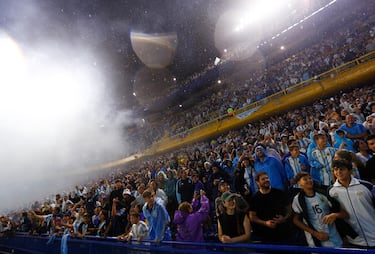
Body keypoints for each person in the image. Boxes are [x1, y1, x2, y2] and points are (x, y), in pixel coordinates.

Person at [292, 172, 347, 247]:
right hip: (316, 239)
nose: (309, 180)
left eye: (310, 178)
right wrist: (315, 233)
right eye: (305, 179)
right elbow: (296, 220)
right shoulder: (297, 200)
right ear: (299, 183)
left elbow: (343, 213)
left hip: (334, 236)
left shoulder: (323, 194)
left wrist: (335, 215)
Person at [329, 159, 375, 247]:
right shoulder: (331, 191)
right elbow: (337, 214)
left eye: (342, 169)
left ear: (350, 171)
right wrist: (344, 235)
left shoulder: (366, 186)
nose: (338, 172)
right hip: (355, 241)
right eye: (335, 169)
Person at [249, 172, 293, 243]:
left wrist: (284, 219)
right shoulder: (254, 199)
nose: (266, 180)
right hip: (266, 236)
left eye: (267, 178)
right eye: (263, 179)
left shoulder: (279, 193)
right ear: (257, 182)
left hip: (284, 233)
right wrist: (265, 223)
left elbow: (289, 209)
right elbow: (252, 217)